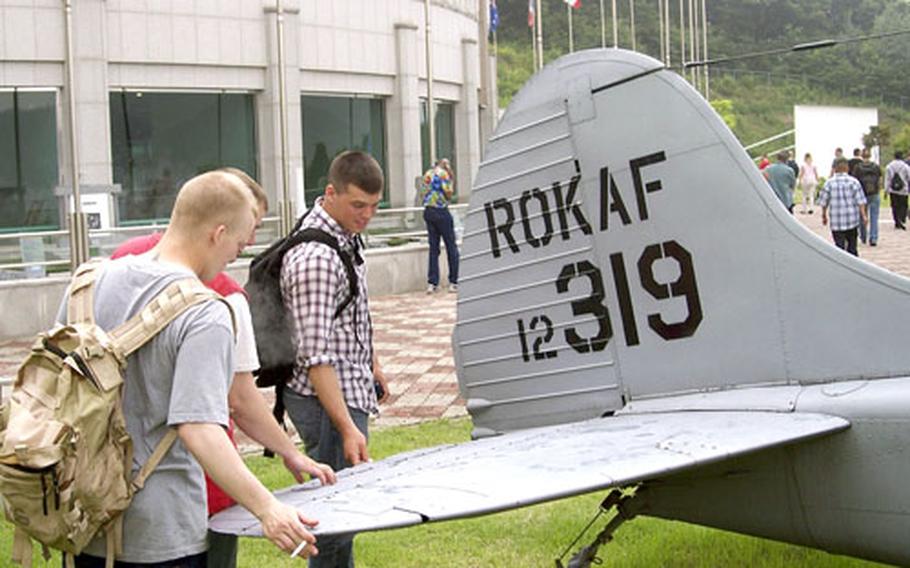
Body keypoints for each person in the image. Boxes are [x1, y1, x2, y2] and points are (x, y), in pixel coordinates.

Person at [68, 171, 323, 566]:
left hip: (85, 516)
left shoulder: (87, 283)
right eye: (236, 247)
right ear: (217, 234)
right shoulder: (205, 312)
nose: (231, 259)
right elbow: (200, 427)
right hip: (161, 533)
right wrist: (269, 509)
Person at [280, 151, 391, 568]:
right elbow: (316, 356)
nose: (367, 216)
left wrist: (372, 365)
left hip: (347, 387)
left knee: (343, 516)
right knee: (334, 522)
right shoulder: (317, 258)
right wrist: (345, 427)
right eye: (358, 205)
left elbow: (353, 313)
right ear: (331, 192)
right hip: (326, 400)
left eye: (374, 207)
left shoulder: (344, 234)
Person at [420, 158, 460, 293]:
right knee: (451, 247)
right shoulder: (444, 174)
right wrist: (451, 176)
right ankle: (454, 281)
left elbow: (423, 193)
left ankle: (432, 282)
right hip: (441, 210)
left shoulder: (427, 174)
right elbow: (449, 193)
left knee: (433, 248)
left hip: (429, 212)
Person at [818, 157, 867, 257]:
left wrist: (824, 215)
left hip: (837, 220)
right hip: (852, 219)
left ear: (835, 168)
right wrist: (864, 216)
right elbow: (860, 201)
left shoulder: (829, 183)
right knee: (852, 246)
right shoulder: (854, 182)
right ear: (847, 168)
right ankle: (854, 264)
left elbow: (823, 202)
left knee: (839, 247)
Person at [853, 149, 882, 246]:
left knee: (862, 216)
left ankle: (863, 236)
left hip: (862, 194)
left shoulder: (858, 167)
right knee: (874, 217)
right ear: (870, 156)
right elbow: (880, 180)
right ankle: (873, 238)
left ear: (862, 155)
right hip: (874, 193)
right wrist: (878, 190)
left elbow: (855, 182)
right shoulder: (876, 167)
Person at [886, 151, 910, 230]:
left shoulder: (889, 166)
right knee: (903, 205)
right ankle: (902, 219)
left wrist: (886, 190)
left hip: (893, 190)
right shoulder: (905, 166)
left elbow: (888, 179)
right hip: (904, 189)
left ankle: (897, 221)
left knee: (894, 206)